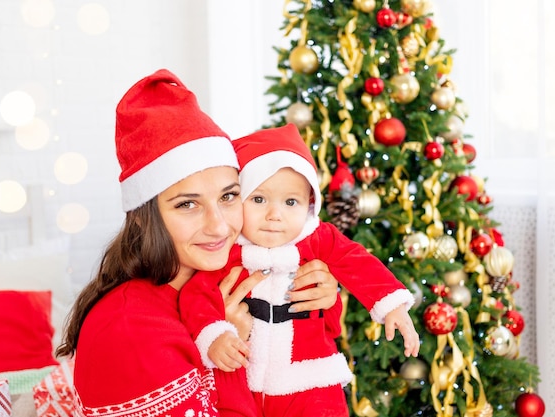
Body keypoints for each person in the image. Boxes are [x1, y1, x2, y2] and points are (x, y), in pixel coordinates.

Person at [55, 70, 340, 417]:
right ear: (143, 215)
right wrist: (229, 348)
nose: (219, 225)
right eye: (187, 204)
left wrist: (319, 300)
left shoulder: (224, 284)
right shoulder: (132, 326)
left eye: (229, 196)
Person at [179, 124, 420, 417]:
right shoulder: (228, 251)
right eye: (258, 199)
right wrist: (214, 335)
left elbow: (358, 262)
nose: (274, 215)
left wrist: (391, 305)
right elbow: (196, 294)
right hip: (247, 377)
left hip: (311, 378)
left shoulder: (317, 239)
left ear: (308, 205)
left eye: (290, 202)